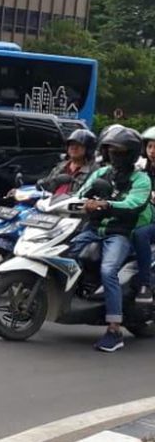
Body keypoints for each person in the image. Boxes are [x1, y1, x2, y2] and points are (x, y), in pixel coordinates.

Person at [69, 126, 152, 352]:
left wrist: (107, 204)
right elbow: (78, 195)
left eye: (120, 150)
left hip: (119, 234)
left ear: (132, 153)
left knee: (108, 270)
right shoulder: (100, 174)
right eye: (111, 149)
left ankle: (114, 330)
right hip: (92, 229)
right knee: (64, 254)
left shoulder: (141, 179)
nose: (114, 154)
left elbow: (134, 204)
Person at [131, 127, 155, 304]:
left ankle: (145, 284)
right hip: (143, 214)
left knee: (141, 234)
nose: (153, 151)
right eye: (150, 147)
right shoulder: (140, 169)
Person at [36, 129, 98, 196]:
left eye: (79, 145)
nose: (74, 147)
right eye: (71, 144)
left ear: (88, 149)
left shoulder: (94, 171)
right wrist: (53, 182)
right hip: (53, 203)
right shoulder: (61, 166)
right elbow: (45, 187)